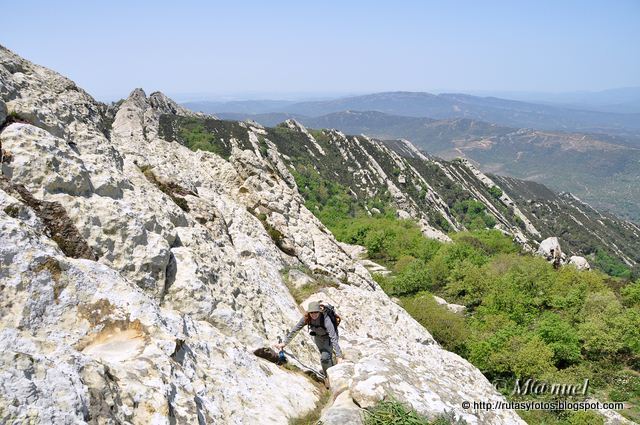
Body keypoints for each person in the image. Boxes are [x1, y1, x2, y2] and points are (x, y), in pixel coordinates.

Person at [275, 301, 343, 387]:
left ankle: (328, 378)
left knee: (325, 357)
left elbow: (333, 337)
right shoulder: (307, 318)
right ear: (309, 312)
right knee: (325, 355)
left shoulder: (326, 319)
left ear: (319, 311)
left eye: (316, 312)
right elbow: (296, 329)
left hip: (328, 338)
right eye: (312, 312)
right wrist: (284, 343)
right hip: (318, 337)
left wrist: (339, 356)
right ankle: (330, 370)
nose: (314, 314)